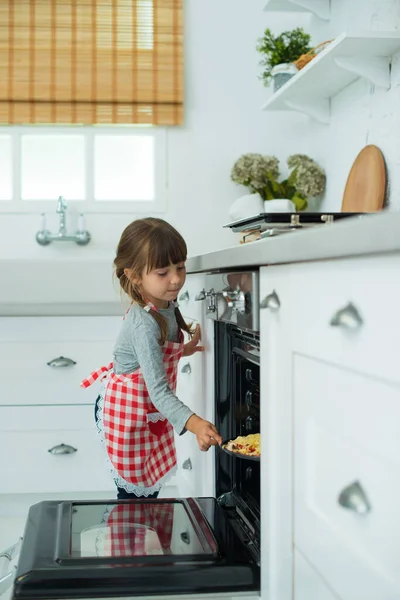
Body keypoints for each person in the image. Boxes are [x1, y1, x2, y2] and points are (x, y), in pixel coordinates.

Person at [81, 217, 222, 500]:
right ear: (134, 276)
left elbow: (153, 358)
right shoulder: (143, 323)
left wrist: (183, 350)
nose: (176, 279)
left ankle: (140, 537)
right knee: (132, 497)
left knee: (147, 490)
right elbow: (158, 390)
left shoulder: (164, 303)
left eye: (180, 267)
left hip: (146, 408)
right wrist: (195, 424)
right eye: (162, 272)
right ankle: (125, 540)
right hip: (129, 410)